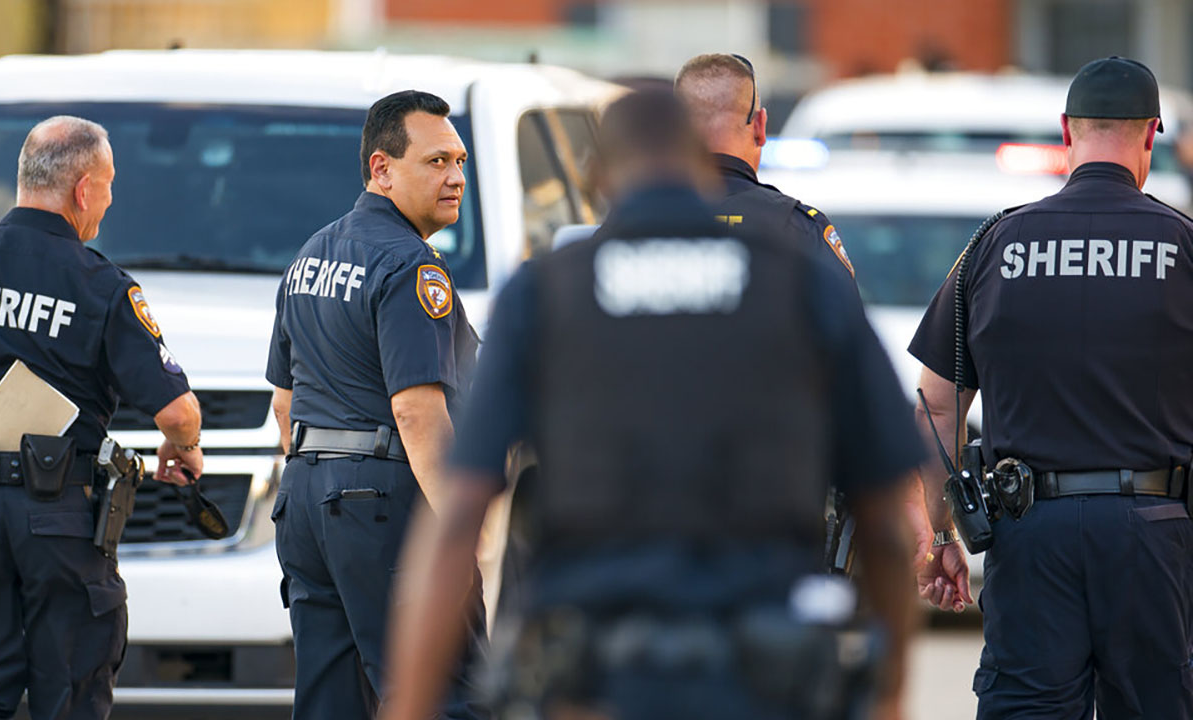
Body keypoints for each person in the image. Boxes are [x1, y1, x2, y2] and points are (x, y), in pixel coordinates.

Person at [380, 89, 922, 720]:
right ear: (700, 165)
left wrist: (411, 707)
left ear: (599, 178)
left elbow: (458, 516)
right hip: (763, 677)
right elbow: (882, 519)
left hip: (596, 679)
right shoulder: (803, 280)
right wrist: (888, 695)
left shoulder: (548, 292)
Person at [911, 56, 1193, 717]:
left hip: (1029, 534)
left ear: (1066, 130)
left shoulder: (994, 244)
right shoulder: (1182, 247)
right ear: (1151, 133)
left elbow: (937, 405)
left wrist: (942, 532)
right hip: (1153, 535)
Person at [0, 115, 203, 719]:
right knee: (68, 697)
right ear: (82, 190)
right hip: (57, 521)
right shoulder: (100, 284)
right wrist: (183, 448)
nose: (110, 199)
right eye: (110, 184)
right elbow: (177, 411)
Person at [264, 90, 488, 720]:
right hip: (383, 502)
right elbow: (418, 414)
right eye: (436, 161)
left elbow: (285, 404)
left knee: (332, 699)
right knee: (441, 693)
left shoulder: (310, 254)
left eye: (460, 161)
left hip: (307, 499)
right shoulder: (411, 266)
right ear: (381, 168)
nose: (455, 178)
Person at [675, 52, 935, 574]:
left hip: (647, 513)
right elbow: (858, 381)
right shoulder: (801, 234)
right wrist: (908, 499)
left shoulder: (623, 235)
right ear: (761, 124)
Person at [674, 53, 856, 280]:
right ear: (760, 125)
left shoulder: (632, 226)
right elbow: (845, 314)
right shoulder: (800, 228)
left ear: (675, 129)